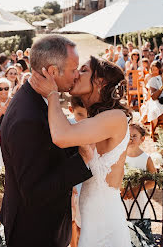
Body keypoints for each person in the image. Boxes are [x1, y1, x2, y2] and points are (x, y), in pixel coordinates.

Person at [30, 53, 132, 247]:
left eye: (84, 70)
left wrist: (52, 94)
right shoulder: (93, 120)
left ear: (100, 82)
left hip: (104, 219)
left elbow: (61, 136)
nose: (76, 74)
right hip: (88, 215)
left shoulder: (116, 118)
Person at [0, 35, 93, 247]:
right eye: (73, 69)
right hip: (35, 231)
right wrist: (82, 159)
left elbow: (48, 154)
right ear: (52, 72)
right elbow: (33, 192)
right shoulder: (27, 119)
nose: (77, 75)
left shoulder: (36, 99)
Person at [121, 123, 157, 235]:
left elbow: (153, 181)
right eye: (128, 135)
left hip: (139, 200)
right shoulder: (119, 156)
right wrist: (120, 189)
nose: (130, 139)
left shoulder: (146, 158)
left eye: (134, 136)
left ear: (142, 139)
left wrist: (137, 189)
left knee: (138, 230)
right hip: (121, 197)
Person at [68, 96, 88, 247]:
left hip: (88, 177)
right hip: (73, 177)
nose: (84, 119)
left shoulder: (92, 125)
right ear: (71, 110)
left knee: (84, 218)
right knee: (73, 218)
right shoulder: (68, 125)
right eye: (80, 114)